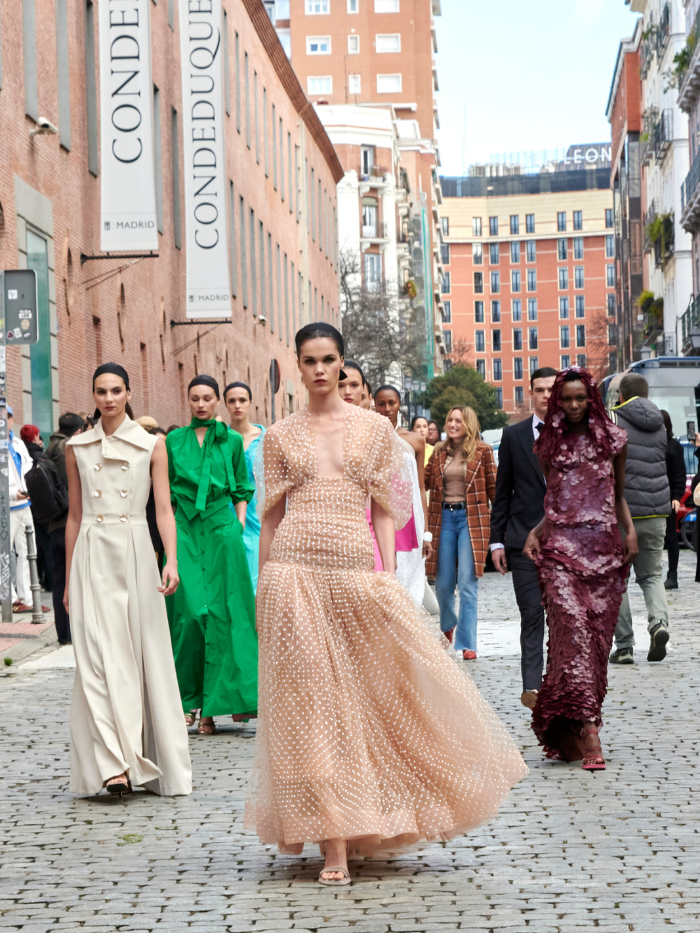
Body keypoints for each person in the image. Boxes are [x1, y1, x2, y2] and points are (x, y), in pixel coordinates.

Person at [244, 322, 527, 886]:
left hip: (356, 573)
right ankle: (333, 844)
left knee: (371, 697)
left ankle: (372, 814)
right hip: (294, 575)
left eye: (329, 360)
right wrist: (264, 587)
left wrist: (385, 576)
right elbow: (270, 517)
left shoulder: (376, 431)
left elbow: (387, 512)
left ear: (343, 364)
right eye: (309, 360)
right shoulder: (279, 437)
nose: (320, 370)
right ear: (297, 367)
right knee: (312, 708)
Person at [64, 363, 191, 797]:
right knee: (96, 658)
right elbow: (75, 516)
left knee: (140, 655)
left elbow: (163, 510)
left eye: (116, 390)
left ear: (128, 392)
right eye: (101, 391)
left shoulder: (153, 444)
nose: (109, 398)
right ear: (93, 395)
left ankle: (141, 755)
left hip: (136, 549)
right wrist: (66, 579)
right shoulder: (76, 447)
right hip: (91, 550)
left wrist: (170, 559)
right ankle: (113, 765)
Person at [523, 368, 637, 770]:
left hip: (604, 552)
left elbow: (617, 495)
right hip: (559, 553)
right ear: (557, 401)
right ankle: (588, 729)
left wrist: (630, 531)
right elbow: (556, 502)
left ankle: (569, 720)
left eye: (580, 399)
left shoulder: (614, 441)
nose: (573, 406)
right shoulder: (547, 445)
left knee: (595, 645)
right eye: (566, 399)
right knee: (570, 633)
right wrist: (537, 532)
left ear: (592, 399)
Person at [165, 375, 258, 734]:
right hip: (185, 528)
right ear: (187, 401)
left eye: (207, 398)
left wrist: (235, 524)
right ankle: (187, 700)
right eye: (194, 398)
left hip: (222, 529)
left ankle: (210, 710)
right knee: (187, 614)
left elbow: (241, 487)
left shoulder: (232, 441)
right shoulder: (174, 440)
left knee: (222, 613)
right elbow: (166, 492)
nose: (201, 404)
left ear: (217, 401)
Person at [490, 367, 557, 708]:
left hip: (565, 543)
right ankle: (532, 687)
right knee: (532, 614)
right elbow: (503, 492)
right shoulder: (514, 436)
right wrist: (497, 541)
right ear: (531, 394)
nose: (546, 395)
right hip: (521, 543)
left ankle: (560, 686)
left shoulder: (574, 435)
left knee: (562, 618)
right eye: (540, 389)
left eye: (551, 389)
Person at [424, 406, 497, 660]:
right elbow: (423, 482)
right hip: (442, 519)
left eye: (458, 420)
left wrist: (500, 528)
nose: (452, 424)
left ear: (468, 424)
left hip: (471, 520)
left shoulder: (483, 451)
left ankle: (468, 643)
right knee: (443, 584)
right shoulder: (437, 452)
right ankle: (448, 625)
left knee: (468, 582)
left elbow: (493, 489)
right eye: (450, 419)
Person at [608, 374, 671, 665]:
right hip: (657, 510)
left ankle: (624, 646)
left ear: (621, 395)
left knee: (617, 579)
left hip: (624, 514)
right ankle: (659, 624)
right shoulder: (661, 422)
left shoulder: (614, 419)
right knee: (652, 576)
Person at [374, 386, 432, 607]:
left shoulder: (415, 440)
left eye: (392, 403)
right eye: (382, 404)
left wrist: (425, 531)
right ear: (375, 405)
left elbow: (419, 486)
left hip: (410, 516)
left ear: (399, 405)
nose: (387, 409)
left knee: (410, 582)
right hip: (378, 512)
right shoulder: (367, 438)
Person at [47, 413, 85, 644]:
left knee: (60, 578)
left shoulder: (48, 447)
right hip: (70, 521)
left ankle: (64, 634)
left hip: (53, 523)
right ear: (77, 431)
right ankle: (74, 631)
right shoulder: (67, 448)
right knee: (75, 576)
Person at [224, 381, 265, 592]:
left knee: (258, 580)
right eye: (232, 401)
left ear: (250, 403)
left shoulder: (269, 438)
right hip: (228, 513)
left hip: (261, 514)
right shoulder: (220, 439)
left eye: (242, 400)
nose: (237, 405)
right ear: (225, 405)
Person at [8, 406, 35, 613]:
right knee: (5, 552)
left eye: (7, 416)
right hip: (7, 505)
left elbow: (28, 469)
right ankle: (8, 597)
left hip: (25, 503)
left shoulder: (18, 443)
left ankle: (26, 597)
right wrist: (10, 492)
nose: (4, 419)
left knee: (27, 552)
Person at [660, 411, 687, 591]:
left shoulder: (673, 446)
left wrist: (677, 496)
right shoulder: (650, 445)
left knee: (671, 538)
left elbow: (679, 474)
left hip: (669, 498)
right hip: (652, 497)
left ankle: (672, 574)